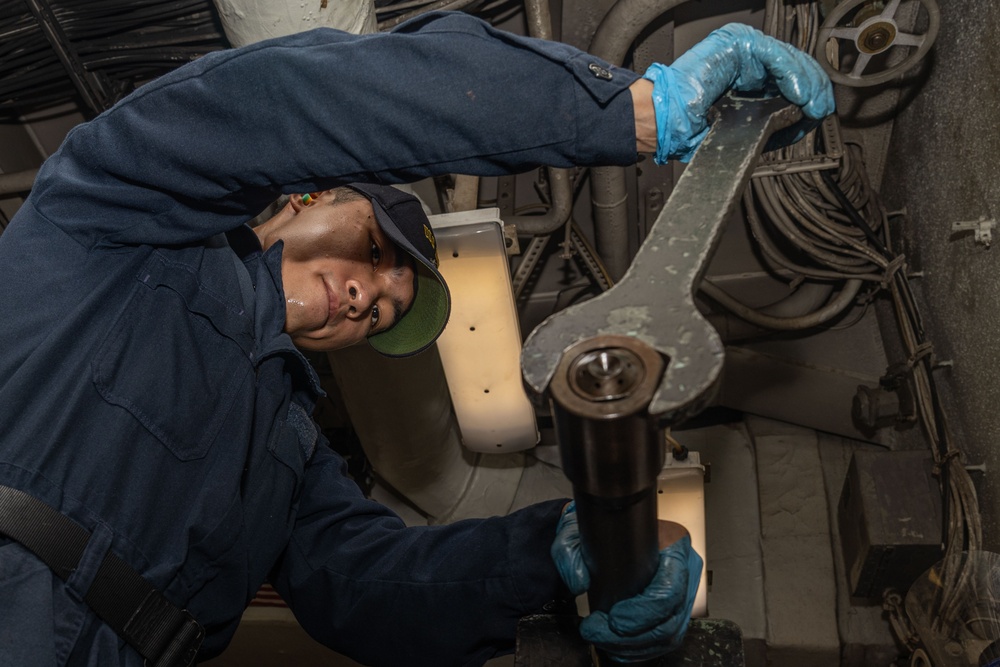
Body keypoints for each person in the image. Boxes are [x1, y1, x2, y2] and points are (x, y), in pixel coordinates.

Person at [0, 11, 833, 667]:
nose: (366, 298)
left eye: (382, 316)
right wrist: (632, 114)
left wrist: (557, 549)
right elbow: (284, 105)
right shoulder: (115, 219)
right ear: (303, 197)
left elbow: (371, 587)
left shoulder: (290, 459)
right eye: (369, 247)